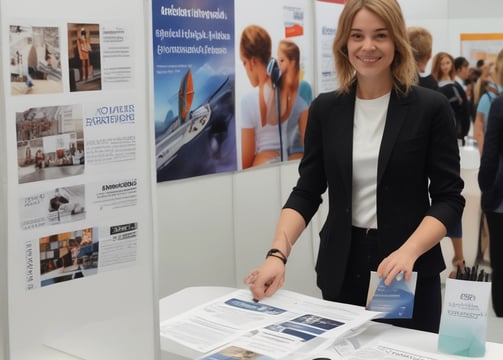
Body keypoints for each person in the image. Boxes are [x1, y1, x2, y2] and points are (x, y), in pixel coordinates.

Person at [244, 0, 464, 333]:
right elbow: (307, 191)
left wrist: (410, 252)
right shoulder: (326, 109)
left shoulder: (429, 108)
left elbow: (449, 199)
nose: (368, 46)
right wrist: (277, 254)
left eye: (380, 35)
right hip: (342, 265)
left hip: (406, 266)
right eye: (357, 35)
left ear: (397, 43)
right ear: (345, 43)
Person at [407, 29, 466, 279]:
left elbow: (449, 197)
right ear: (431, 55)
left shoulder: (431, 95)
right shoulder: (429, 90)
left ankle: (459, 257)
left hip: (412, 249)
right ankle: (459, 257)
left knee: (445, 199)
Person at [239, 25, 284, 169]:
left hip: (262, 168)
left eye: (244, 62)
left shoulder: (248, 101)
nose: (245, 69)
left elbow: (246, 162)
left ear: (252, 62)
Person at [478, 92, 503, 317]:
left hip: (499, 200)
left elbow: (491, 151)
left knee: (500, 258)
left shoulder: (499, 103)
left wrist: (485, 185)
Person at [276, 39, 310, 160]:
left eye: (282, 60)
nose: (278, 65)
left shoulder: (304, 88)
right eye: (278, 60)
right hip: (279, 152)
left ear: (292, 62)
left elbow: (304, 131)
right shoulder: (277, 89)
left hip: (297, 151)